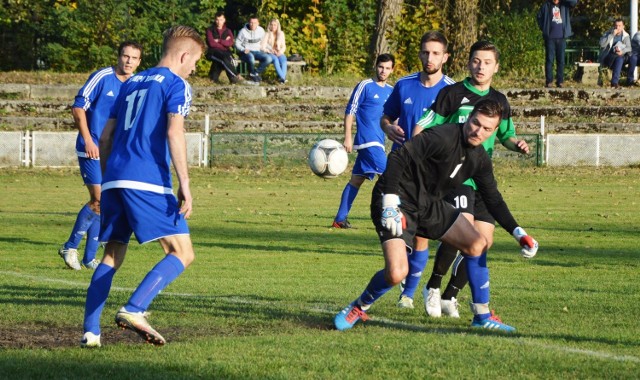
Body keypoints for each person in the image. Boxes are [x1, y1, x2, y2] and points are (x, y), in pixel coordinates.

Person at [333, 99, 538, 333]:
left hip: (429, 204)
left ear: (494, 131)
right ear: (468, 118)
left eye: (486, 129)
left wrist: (518, 233)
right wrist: (390, 201)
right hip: (396, 198)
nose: (478, 131)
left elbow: (493, 199)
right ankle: (359, 306)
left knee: (477, 243)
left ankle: (482, 315)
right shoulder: (442, 136)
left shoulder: (479, 159)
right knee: (397, 272)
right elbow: (399, 158)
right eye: (475, 123)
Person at [80, 25, 204, 348]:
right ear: (183, 55)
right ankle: (135, 308)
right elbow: (174, 134)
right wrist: (186, 184)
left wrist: (109, 181)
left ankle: (91, 332)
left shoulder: (131, 82)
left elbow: (105, 137)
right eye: (195, 62)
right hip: (147, 180)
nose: (194, 69)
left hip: (114, 179)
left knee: (112, 255)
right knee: (183, 251)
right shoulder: (178, 85)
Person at [412, 40, 531, 319]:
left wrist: (518, 144)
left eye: (487, 62)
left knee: (483, 242)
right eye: (476, 61)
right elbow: (424, 125)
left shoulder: (500, 101)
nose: (481, 66)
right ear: (468, 63)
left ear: (496, 67)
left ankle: (450, 295)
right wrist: (416, 157)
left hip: (481, 178)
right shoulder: (452, 93)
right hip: (454, 177)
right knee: (461, 230)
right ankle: (433, 286)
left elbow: (505, 135)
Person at [379, 31, 455, 309]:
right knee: (397, 232)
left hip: (432, 177)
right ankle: (401, 277)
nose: (429, 57)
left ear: (445, 57)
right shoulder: (403, 85)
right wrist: (388, 127)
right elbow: (386, 116)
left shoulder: (453, 91)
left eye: (436, 53)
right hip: (400, 173)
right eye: (425, 52)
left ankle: (408, 295)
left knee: (423, 236)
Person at [58, 41, 142, 271]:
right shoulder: (103, 77)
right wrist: (87, 139)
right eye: (125, 56)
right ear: (118, 57)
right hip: (92, 147)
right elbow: (78, 107)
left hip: (114, 152)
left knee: (104, 203)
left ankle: (89, 258)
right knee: (98, 199)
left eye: (133, 58)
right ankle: (70, 246)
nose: (128, 61)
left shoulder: (137, 84)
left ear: (139, 62)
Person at [332, 54, 395, 229]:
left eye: (387, 68)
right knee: (391, 178)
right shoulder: (365, 85)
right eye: (381, 67)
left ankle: (339, 219)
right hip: (368, 142)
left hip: (379, 142)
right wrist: (347, 136)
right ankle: (391, 220)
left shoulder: (391, 91)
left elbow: (393, 117)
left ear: (392, 70)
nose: (383, 71)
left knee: (356, 180)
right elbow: (350, 110)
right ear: (376, 66)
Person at [537, 0, 578, 88]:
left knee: (561, 61)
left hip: (561, 37)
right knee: (549, 60)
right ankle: (549, 81)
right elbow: (539, 17)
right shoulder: (546, 5)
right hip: (550, 38)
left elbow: (574, 2)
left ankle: (560, 81)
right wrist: (544, 28)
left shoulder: (564, 5)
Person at [206, 11, 243, 84]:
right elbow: (212, 43)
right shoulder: (210, 30)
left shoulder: (228, 31)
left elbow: (230, 43)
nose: (219, 22)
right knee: (224, 58)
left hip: (225, 52)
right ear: (215, 20)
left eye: (221, 19)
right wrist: (224, 42)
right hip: (213, 52)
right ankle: (236, 75)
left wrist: (219, 41)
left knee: (223, 60)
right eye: (217, 19)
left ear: (224, 20)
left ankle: (213, 78)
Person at [599, 19, 635, 88]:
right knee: (620, 59)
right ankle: (614, 83)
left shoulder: (625, 35)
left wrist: (622, 51)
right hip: (609, 57)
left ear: (623, 27)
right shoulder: (608, 33)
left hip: (620, 55)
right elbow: (601, 44)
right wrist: (612, 35)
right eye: (616, 26)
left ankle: (630, 82)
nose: (617, 28)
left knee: (633, 57)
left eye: (619, 26)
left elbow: (629, 48)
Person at [236, 15, 272, 83]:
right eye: (251, 22)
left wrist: (271, 49)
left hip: (258, 52)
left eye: (255, 23)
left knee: (268, 58)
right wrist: (243, 49)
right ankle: (254, 76)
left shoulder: (261, 30)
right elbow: (237, 43)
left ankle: (254, 73)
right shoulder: (243, 31)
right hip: (247, 52)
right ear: (249, 22)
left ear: (258, 23)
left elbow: (264, 42)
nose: (252, 24)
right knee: (251, 58)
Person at [261, 18, 288, 84]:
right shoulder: (267, 34)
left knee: (283, 60)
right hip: (270, 52)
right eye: (271, 25)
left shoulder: (281, 33)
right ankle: (283, 78)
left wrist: (280, 52)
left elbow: (284, 46)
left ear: (277, 26)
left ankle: (282, 79)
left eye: (275, 25)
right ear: (269, 25)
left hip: (279, 52)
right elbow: (262, 47)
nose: (273, 26)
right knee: (275, 60)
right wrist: (269, 51)